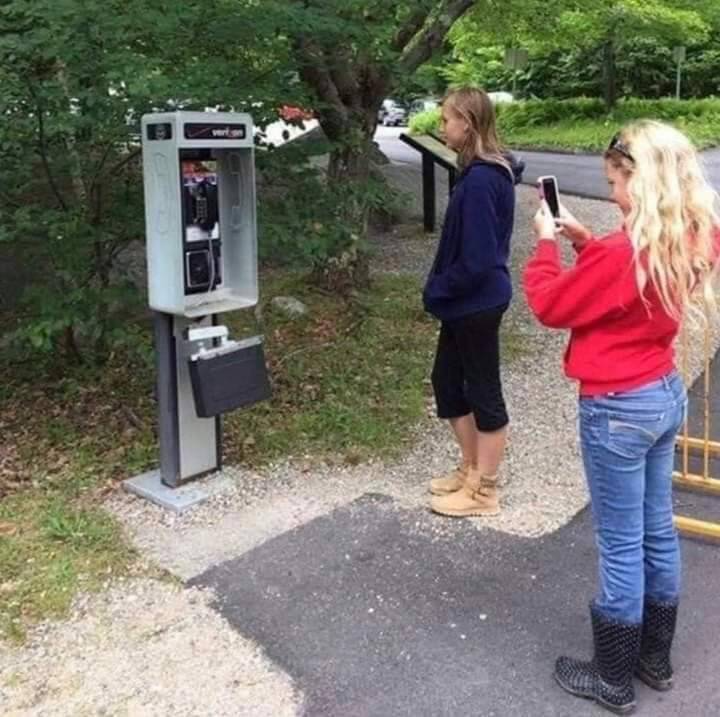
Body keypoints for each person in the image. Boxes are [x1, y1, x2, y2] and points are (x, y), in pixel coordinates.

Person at [524, 120, 719, 714]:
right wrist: (587, 240)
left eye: (616, 181)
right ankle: (653, 659)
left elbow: (550, 305)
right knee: (657, 528)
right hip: (663, 392)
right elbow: (627, 290)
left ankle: (611, 678)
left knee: (619, 542)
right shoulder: (697, 233)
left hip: (616, 406)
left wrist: (546, 244)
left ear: (644, 178)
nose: (611, 194)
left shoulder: (621, 253)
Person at [423, 87, 523, 517]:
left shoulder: (483, 179)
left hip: (476, 302)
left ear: (467, 122)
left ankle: (485, 492)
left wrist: (438, 288)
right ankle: (470, 469)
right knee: (447, 382)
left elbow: (479, 260)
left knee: (483, 392)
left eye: (446, 119)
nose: (441, 126)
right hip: (464, 302)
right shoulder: (477, 172)